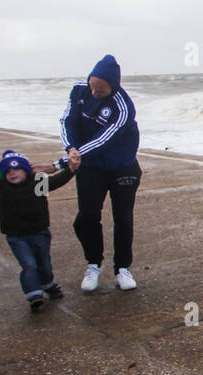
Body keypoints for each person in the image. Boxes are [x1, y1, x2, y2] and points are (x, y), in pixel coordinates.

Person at [58, 54, 142, 292]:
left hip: (121, 166)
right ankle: (94, 264)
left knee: (123, 218)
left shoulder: (124, 107)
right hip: (90, 166)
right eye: (93, 87)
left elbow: (103, 140)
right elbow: (67, 121)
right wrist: (70, 149)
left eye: (101, 91)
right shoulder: (79, 90)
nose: (94, 94)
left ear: (113, 88)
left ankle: (122, 269)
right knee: (88, 217)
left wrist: (70, 158)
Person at [0, 149, 73, 310]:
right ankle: (34, 294)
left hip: (40, 232)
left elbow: (57, 181)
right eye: (7, 171)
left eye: (17, 169)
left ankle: (48, 285)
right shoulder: (2, 188)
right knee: (29, 265)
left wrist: (71, 170)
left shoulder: (37, 183)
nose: (12, 173)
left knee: (44, 263)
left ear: (27, 171)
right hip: (16, 236)